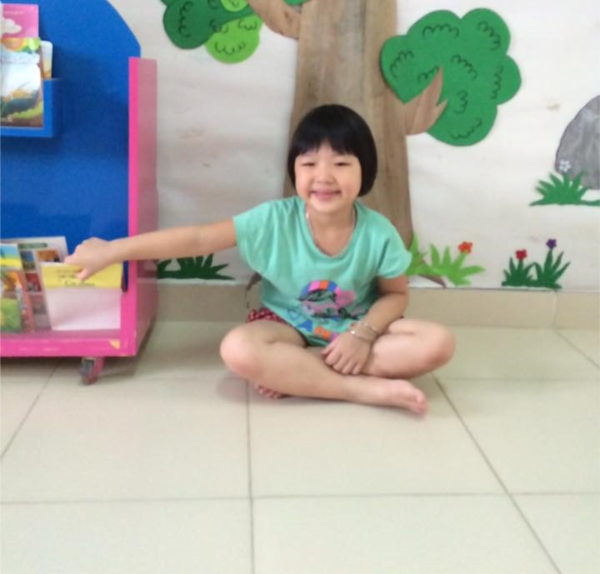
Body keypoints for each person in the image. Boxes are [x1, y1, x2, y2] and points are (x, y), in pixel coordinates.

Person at [66, 104, 455, 414]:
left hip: (355, 327)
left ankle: (298, 373)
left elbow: (396, 296)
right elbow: (198, 238)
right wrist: (113, 250)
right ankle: (358, 389)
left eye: (340, 164)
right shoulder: (272, 220)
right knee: (237, 349)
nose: (324, 176)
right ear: (294, 171)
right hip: (284, 326)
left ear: (364, 170)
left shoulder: (379, 232)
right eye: (309, 164)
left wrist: (361, 336)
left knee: (437, 343)